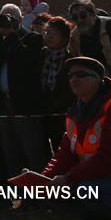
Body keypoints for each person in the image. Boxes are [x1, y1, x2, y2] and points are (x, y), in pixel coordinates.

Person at [41, 57, 111, 220]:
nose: (74, 79)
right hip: (96, 179)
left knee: (86, 190)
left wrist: (68, 178)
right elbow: (64, 155)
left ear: (98, 79)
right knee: (60, 193)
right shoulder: (74, 113)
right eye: (70, 76)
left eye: (81, 74)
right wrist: (42, 180)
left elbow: (110, 156)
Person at [0, 13, 50, 177]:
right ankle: (20, 195)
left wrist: (13, 35)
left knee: (32, 151)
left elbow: (26, 59)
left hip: (24, 105)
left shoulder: (31, 38)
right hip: (3, 104)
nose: (4, 27)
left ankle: (40, 195)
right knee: (10, 151)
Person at [67, 0, 111, 91]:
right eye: (75, 17)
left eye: (83, 15)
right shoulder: (75, 37)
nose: (79, 20)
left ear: (93, 14)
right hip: (97, 90)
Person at [40, 16, 74, 152]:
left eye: (54, 33)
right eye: (47, 32)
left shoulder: (70, 59)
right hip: (43, 111)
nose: (49, 36)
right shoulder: (41, 55)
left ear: (65, 38)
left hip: (63, 112)